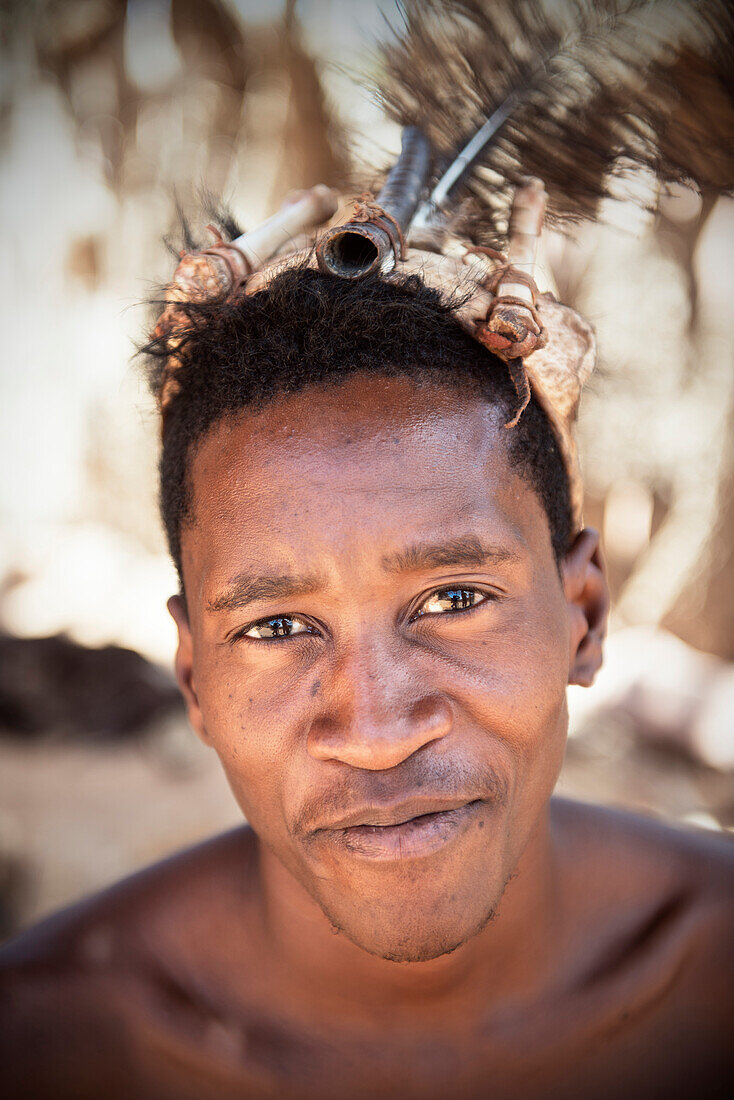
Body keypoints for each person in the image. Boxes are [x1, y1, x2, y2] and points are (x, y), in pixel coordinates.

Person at [1, 259, 733, 1099]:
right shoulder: (45, 1044)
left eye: (454, 598)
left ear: (584, 616)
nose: (379, 732)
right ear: (196, 678)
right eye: (277, 626)